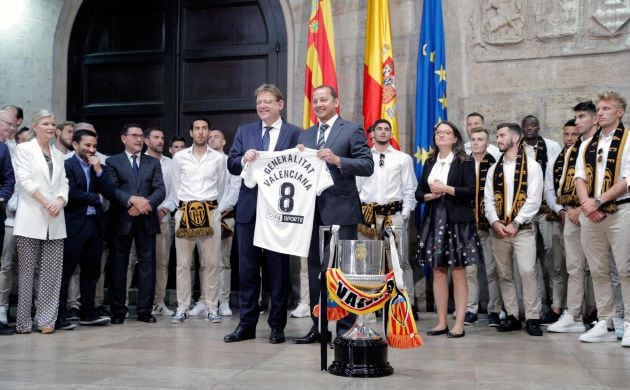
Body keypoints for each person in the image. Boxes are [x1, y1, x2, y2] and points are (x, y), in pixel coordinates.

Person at [294, 85, 373, 344]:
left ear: (335, 102)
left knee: (342, 270)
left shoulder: (351, 130)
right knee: (315, 269)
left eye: (323, 100)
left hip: (342, 212)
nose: (318, 104)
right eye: (315, 100)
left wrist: (338, 160)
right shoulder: (305, 135)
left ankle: (345, 327)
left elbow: (367, 165)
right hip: (311, 213)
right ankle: (319, 327)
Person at [225, 84, 300, 343]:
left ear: (280, 105)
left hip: (279, 213)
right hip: (249, 211)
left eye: (268, 101)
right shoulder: (244, 132)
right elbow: (232, 164)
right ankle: (246, 325)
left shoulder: (295, 134)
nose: (262, 106)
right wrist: (243, 158)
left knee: (278, 271)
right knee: (247, 270)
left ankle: (277, 326)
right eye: (259, 102)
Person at [574, 91, 630, 347]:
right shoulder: (587, 144)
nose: (600, 112)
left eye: (607, 108)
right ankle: (605, 321)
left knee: (625, 269)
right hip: (590, 214)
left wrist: (599, 201)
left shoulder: (628, 140)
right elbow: (579, 178)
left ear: (620, 112)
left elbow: (627, 180)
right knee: (597, 270)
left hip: (619, 212)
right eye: (599, 108)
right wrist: (587, 204)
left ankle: (628, 322)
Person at [416, 121, 480, 338]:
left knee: (459, 271)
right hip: (434, 218)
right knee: (438, 270)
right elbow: (418, 191)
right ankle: (441, 321)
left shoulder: (465, 160)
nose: (441, 135)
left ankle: (459, 323)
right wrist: (429, 195)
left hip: (457, 221)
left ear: (455, 138)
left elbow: (471, 191)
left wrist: (446, 189)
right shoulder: (430, 160)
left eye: (447, 133)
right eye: (438, 133)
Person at [484, 123, 544, 336]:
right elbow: (488, 200)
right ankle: (512, 315)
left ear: (515, 138)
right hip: (499, 229)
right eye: (497, 135)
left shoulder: (533, 167)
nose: (498, 139)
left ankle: (533, 317)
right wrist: (495, 222)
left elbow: (534, 199)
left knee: (527, 271)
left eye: (502, 135)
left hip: (523, 229)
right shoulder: (494, 169)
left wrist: (516, 222)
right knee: (504, 273)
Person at [13, 110, 68, 334]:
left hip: (55, 219)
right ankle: (23, 322)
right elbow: (24, 180)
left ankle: (46, 320)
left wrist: (60, 200)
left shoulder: (58, 155)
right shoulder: (24, 149)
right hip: (31, 217)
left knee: (51, 273)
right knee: (26, 272)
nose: (50, 127)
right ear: (35, 126)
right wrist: (47, 202)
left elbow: (64, 183)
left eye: (53, 124)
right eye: (45, 123)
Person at [105, 123, 165, 324]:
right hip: (121, 219)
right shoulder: (113, 162)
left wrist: (142, 204)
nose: (139, 139)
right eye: (134, 135)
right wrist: (132, 200)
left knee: (147, 267)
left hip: (146, 219)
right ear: (124, 138)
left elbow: (160, 190)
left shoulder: (153, 163)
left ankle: (144, 311)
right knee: (118, 266)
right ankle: (117, 311)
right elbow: (112, 190)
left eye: (141, 136)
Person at [356, 118, 417, 313]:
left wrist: (404, 215)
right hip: (367, 215)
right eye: (379, 129)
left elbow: (409, 188)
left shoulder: (402, 158)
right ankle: (371, 303)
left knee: (400, 260)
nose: (383, 132)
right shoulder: (363, 158)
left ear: (391, 134)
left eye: (386, 129)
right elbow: (357, 188)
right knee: (367, 260)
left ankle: (406, 302)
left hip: (394, 214)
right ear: (371, 134)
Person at [170, 117, 228, 324]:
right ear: (191, 133)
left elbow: (222, 186)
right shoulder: (180, 157)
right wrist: (183, 206)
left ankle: (212, 307)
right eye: (197, 129)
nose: (201, 132)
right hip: (185, 210)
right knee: (183, 264)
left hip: (210, 210)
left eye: (205, 128)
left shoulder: (219, 158)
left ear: (209, 132)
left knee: (212, 263)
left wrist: (215, 209)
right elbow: (175, 185)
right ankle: (182, 307)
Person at [547, 104, 599, 333]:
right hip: (571, 212)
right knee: (574, 267)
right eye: (575, 117)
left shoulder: (603, 144)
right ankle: (574, 314)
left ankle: (608, 316)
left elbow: (602, 181)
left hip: (596, 211)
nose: (577, 122)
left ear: (595, 119)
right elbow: (568, 182)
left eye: (581, 117)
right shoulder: (572, 150)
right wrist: (569, 208)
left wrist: (582, 207)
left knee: (601, 268)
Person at [56, 129, 113, 330]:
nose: (91, 149)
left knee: (92, 272)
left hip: (94, 224)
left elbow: (109, 191)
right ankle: (59, 315)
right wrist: (95, 198)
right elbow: (71, 193)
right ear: (75, 145)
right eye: (87, 145)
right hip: (74, 224)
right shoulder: (67, 165)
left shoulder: (97, 166)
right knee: (66, 271)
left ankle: (88, 313)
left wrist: (99, 171)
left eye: (94, 146)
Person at [125, 127, 178, 317]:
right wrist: (142, 207)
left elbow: (175, 191)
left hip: (162, 218)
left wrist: (164, 209)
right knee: (130, 261)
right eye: (156, 137)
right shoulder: (137, 161)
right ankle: (123, 303)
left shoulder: (171, 164)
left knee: (161, 263)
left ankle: (158, 302)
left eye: (162, 137)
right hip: (133, 216)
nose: (160, 141)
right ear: (146, 141)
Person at [521, 115, 563, 323]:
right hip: (525, 211)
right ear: (522, 129)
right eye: (526, 126)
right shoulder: (517, 148)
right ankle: (536, 306)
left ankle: (556, 305)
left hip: (546, 210)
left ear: (539, 127)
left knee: (551, 256)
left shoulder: (552, 146)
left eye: (533, 125)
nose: (530, 128)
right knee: (530, 261)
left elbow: (554, 175)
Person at [466, 127, 503, 327]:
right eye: (473, 139)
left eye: (480, 139)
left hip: (488, 224)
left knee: (492, 269)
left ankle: (494, 309)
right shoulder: (463, 163)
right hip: (467, 225)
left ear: (487, 143)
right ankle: (470, 308)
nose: (476, 143)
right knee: (469, 270)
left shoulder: (495, 164)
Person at [209, 129, 240, 316]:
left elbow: (234, 191)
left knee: (223, 262)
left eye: (216, 137)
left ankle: (224, 301)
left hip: (224, 217)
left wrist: (216, 211)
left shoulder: (230, 162)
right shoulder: (202, 161)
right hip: (201, 217)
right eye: (210, 137)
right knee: (206, 262)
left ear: (224, 141)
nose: (212, 139)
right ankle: (207, 300)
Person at [0, 110, 16, 335]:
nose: (12, 128)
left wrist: (2, 195)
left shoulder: (3, 148)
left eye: (14, 125)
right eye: (8, 125)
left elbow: (8, 179)